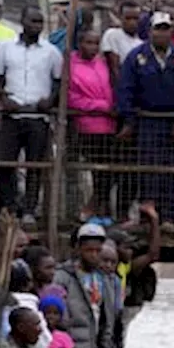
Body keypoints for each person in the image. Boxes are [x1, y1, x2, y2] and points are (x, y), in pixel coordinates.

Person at [116, 10, 174, 224]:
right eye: (157, 29)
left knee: (173, 170)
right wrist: (129, 119)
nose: (161, 34)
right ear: (149, 31)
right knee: (147, 168)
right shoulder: (136, 57)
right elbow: (126, 89)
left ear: (172, 31)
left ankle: (172, 217)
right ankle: (148, 217)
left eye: (165, 29)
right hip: (146, 121)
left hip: (172, 122)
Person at [0, 6, 63, 223]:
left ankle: (30, 210)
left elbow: (59, 81)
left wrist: (50, 101)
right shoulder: (5, 48)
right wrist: (4, 100)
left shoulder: (51, 52)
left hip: (38, 117)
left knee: (35, 166)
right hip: (12, 115)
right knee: (4, 163)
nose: (37, 26)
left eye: (40, 22)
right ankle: (11, 206)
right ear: (22, 20)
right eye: (33, 21)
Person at [53, 224, 120, 348]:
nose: (94, 255)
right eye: (89, 250)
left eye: (98, 250)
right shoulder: (64, 276)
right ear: (78, 248)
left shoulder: (105, 279)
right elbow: (58, 316)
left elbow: (108, 319)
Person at [66, 28, 117, 221]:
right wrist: (102, 106)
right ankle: (89, 207)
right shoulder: (70, 65)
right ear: (80, 43)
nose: (93, 47)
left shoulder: (103, 63)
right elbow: (72, 98)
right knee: (95, 169)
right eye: (89, 42)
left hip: (109, 125)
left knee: (108, 171)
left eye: (96, 43)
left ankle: (100, 207)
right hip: (87, 125)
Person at [101, 0, 143, 83]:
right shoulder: (113, 35)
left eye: (135, 18)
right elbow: (114, 68)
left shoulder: (140, 43)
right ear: (120, 17)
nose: (132, 22)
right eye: (128, 18)